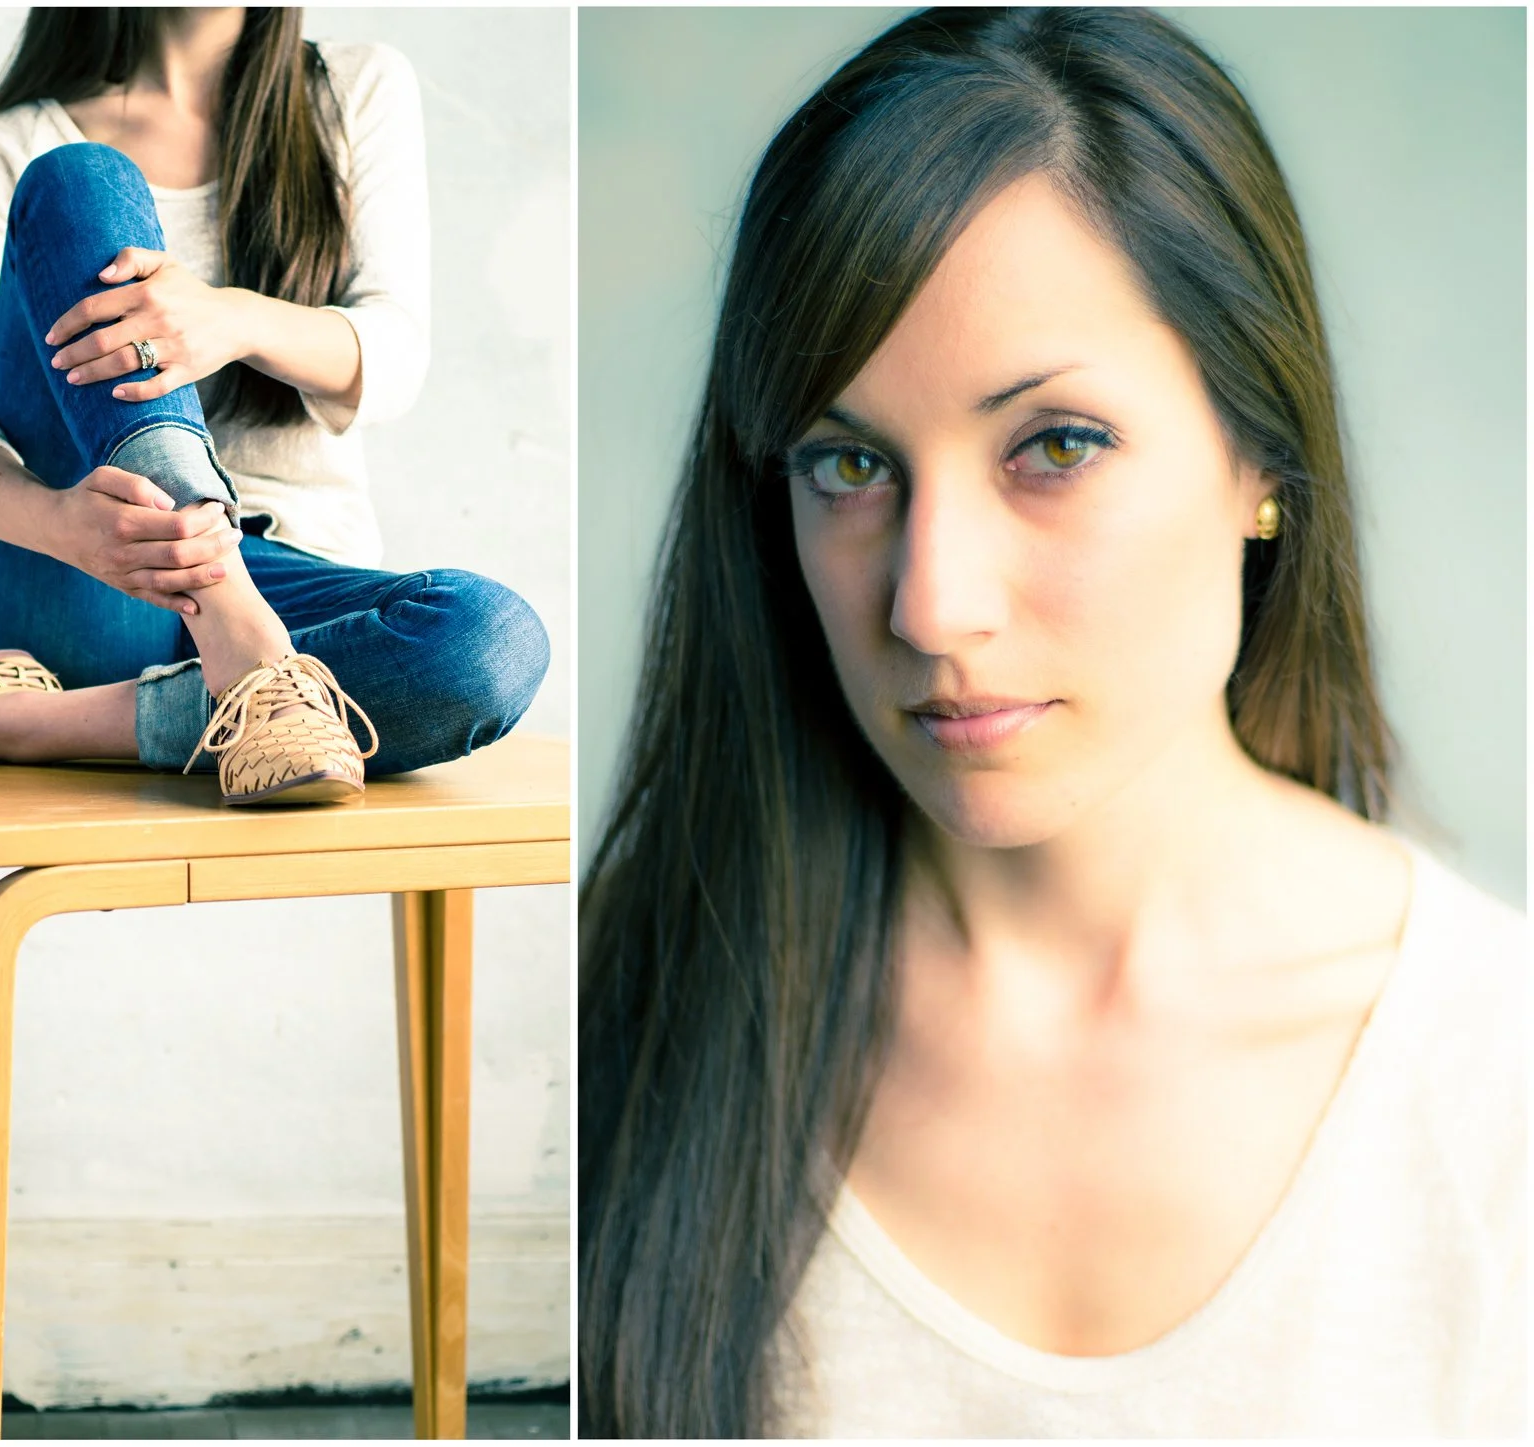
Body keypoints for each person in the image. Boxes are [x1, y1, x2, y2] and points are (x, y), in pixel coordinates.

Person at [578, 7, 1524, 1437]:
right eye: (849, 464)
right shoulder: (639, 1018)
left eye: (1055, 446)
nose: (933, 604)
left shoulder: (1494, 1078)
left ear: (1261, 460)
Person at [0, 6, 549, 805]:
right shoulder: (9, 147)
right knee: (80, 179)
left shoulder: (352, 91)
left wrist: (229, 319)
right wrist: (66, 525)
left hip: (282, 574)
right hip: (75, 566)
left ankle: (14, 724)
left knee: (489, 642)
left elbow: (393, 357)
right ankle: (247, 653)